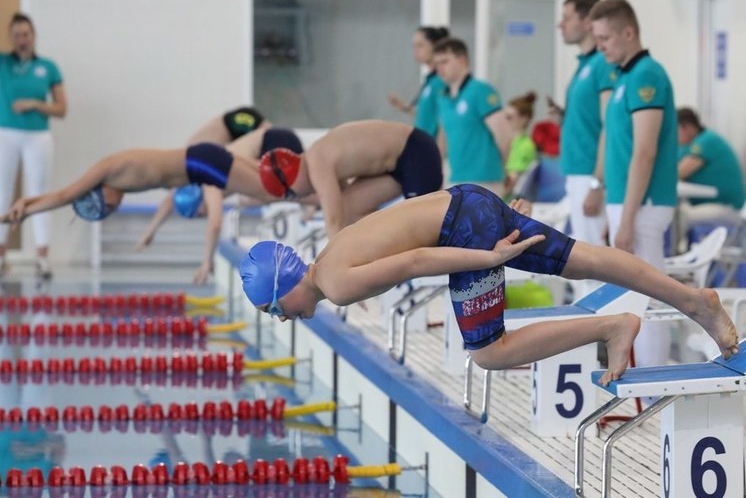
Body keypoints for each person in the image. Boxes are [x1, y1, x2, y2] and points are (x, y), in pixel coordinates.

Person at [239, 184, 739, 386]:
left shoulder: (336, 282)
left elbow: (415, 260)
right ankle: (695, 300)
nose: (281, 317)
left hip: (465, 229)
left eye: (273, 308)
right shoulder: (330, 253)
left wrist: (489, 255)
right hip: (467, 200)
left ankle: (611, 328)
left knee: (489, 352)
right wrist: (489, 215)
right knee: (580, 260)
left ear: (282, 287)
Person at [591, 0, 678, 371]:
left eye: (606, 38)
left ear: (629, 32)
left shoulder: (647, 76)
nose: (601, 47)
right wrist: (617, 212)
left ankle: (656, 382)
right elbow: (624, 150)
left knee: (650, 296)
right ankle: (644, 377)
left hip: (644, 205)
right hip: (629, 203)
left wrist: (626, 217)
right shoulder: (625, 76)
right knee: (633, 296)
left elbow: (644, 152)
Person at [137, 127, 303, 284]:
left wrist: (206, 262)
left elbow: (215, 223)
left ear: (198, 202)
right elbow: (171, 199)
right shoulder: (199, 179)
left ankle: (311, 201)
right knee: (251, 198)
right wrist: (150, 231)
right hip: (274, 142)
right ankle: (309, 200)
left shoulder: (209, 183)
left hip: (275, 143)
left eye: (199, 214)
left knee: (260, 196)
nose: (204, 215)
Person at [0, 143, 268, 226]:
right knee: (274, 183)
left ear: (99, 195)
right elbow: (67, 195)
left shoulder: (108, 170)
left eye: (109, 208)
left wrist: (27, 212)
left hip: (201, 164)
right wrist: (27, 202)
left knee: (271, 191)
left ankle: (311, 188)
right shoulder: (114, 181)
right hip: (202, 160)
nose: (115, 208)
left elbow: (68, 194)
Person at [258, 120, 442, 237]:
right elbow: (337, 206)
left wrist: (330, 268)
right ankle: (387, 253)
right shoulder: (316, 159)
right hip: (394, 166)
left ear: (289, 182)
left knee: (425, 230)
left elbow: (333, 221)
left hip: (416, 152)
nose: (298, 196)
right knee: (349, 209)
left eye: (292, 195)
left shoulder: (317, 163)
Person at [0, 13, 67, 278]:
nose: (22, 40)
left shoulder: (48, 67)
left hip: (38, 135)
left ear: (33, 35)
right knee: (2, 192)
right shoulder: (3, 63)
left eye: (26, 34)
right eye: (16, 35)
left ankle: (42, 257)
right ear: (11, 38)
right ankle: (1, 255)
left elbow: (62, 109)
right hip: (6, 133)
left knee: (38, 193)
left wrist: (35, 104)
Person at [554, 0, 616, 246]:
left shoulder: (603, 63)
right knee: (585, 259)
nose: (561, 24)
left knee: (596, 262)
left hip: (591, 173)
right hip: (577, 171)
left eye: (567, 18)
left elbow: (610, 128)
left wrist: (597, 183)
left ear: (588, 20)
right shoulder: (584, 65)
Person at [432, 38, 508, 194]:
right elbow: (443, 139)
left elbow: (504, 135)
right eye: (437, 64)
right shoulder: (443, 98)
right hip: (455, 178)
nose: (439, 68)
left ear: (462, 60)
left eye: (444, 62)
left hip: (485, 180)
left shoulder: (481, 91)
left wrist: (502, 169)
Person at [677, 107, 745, 236]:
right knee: (674, 213)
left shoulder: (707, 141)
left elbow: (679, 172)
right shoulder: (688, 146)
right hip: (710, 205)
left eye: (676, 130)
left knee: (679, 218)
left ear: (688, 127)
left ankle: (678, 254)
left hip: (726, 208)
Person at [388, 26, 449, 140]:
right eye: (414, 46)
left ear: (435, 46)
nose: (415, 50)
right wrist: (405, 108)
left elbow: (445, 122)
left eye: (420, 45)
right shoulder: (430, 81)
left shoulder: (442, 81)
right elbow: (428, 116)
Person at [503, 91, 538, 196]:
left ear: (524, 119)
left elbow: (510, 184)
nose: (504, 121)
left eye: (509, 117)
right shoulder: (508, 141)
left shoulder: (525, 146)